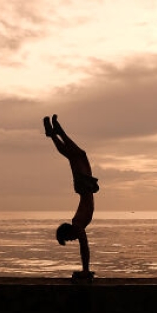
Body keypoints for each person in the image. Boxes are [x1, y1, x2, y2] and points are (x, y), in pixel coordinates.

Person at [44, 114, 98, 280]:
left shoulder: (78, 225)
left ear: (68, 232)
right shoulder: (77, 223)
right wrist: (85, 271)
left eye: (69, 239)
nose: (73, 240)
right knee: (76, 155)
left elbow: (84, 248)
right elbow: (84, 247)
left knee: (77, 156)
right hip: (84, 188)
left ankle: (56, 134)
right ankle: (55, 134)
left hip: (84, 187)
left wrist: (85, 271)